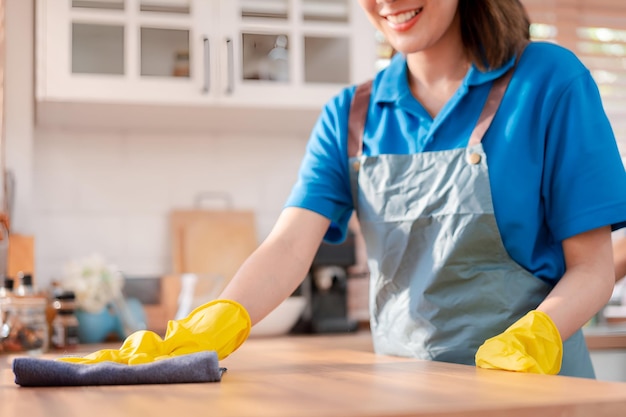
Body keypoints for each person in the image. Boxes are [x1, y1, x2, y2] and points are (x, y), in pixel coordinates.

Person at [64, 0, 626, 379]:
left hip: (539, 390)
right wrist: (217, 319)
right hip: (408, 391)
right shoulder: (351, 114)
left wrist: (536, 337)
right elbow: (288, 247)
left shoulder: (550, 81)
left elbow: (593, 267)